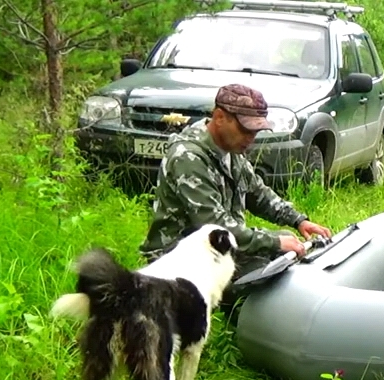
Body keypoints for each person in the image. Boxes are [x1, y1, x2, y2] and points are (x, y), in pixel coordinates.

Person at [138, 83, 332, 306]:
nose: (251, 138)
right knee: (267, 274)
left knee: (288, 251)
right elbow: (216, 227)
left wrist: (299, 221)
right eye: (245, 129)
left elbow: (259, 194)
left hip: (219, 248)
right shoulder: (188, 157)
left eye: (255, 131)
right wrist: (275, 242)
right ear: (220, 117)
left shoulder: (231, 151)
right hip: (182, 258)